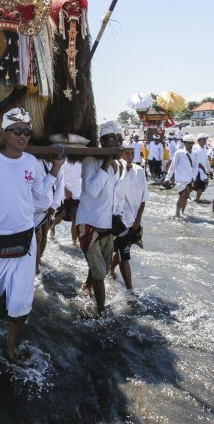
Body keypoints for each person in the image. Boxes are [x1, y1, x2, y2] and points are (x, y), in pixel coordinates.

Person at [0, 107, 63, 363]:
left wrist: (55, 170)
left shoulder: (31, 162)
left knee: (20, 300)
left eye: (27, 131)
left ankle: (11, 347)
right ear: (4, 133)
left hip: (25, 239)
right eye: (17, 130)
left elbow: (40, 196)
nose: (23, 135)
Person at [76, 121, 123, 315]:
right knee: (98, 272)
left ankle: (87, 285)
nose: (116, 142)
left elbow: (116, 196)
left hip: (106, 225)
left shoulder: (116, 167)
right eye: (112, 138)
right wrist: (106, 161)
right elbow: (92, 190)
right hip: (89, 224)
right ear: (102, 141)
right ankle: (101, 311)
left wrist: (118, 217)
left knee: (102, 269)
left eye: (119, 139)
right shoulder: (90, 161)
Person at [109, 143, 149, 292]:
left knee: (121, 251)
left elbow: (143, 198)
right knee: (125, 255)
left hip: (134, 220)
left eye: (132, 153)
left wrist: (137, 221)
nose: (130, 157)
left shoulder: (140, 171)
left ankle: (109, 269)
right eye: (126, 153)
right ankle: (130, 291)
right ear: (120, 154)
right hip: (118, 221)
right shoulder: (114, 171)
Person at [163, 134, 198, 217]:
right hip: (180, 178)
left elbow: (195, 167)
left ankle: (183, 212)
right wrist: (167, 178)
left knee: (186, 196)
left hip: (189, 178)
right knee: (181, 196)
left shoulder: (195, 154)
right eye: (189, 143)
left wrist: (193, 177)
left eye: (192, 143)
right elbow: (173, 166)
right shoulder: (179, 153)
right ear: (184, 143)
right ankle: (177, 212)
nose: (190, 145)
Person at [192, 133, 211, 203]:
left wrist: (210, 170)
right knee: (196, 185)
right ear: (199, 140)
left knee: (202, 186)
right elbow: (192, 158)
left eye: (206, 139)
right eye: (204, 139)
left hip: (203, 171)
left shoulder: (204, 149)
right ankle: (193, 198)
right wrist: (197, 165)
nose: (205, 140)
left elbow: (206, 161)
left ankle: (197, 199)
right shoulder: (195, 147)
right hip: (196, 169)